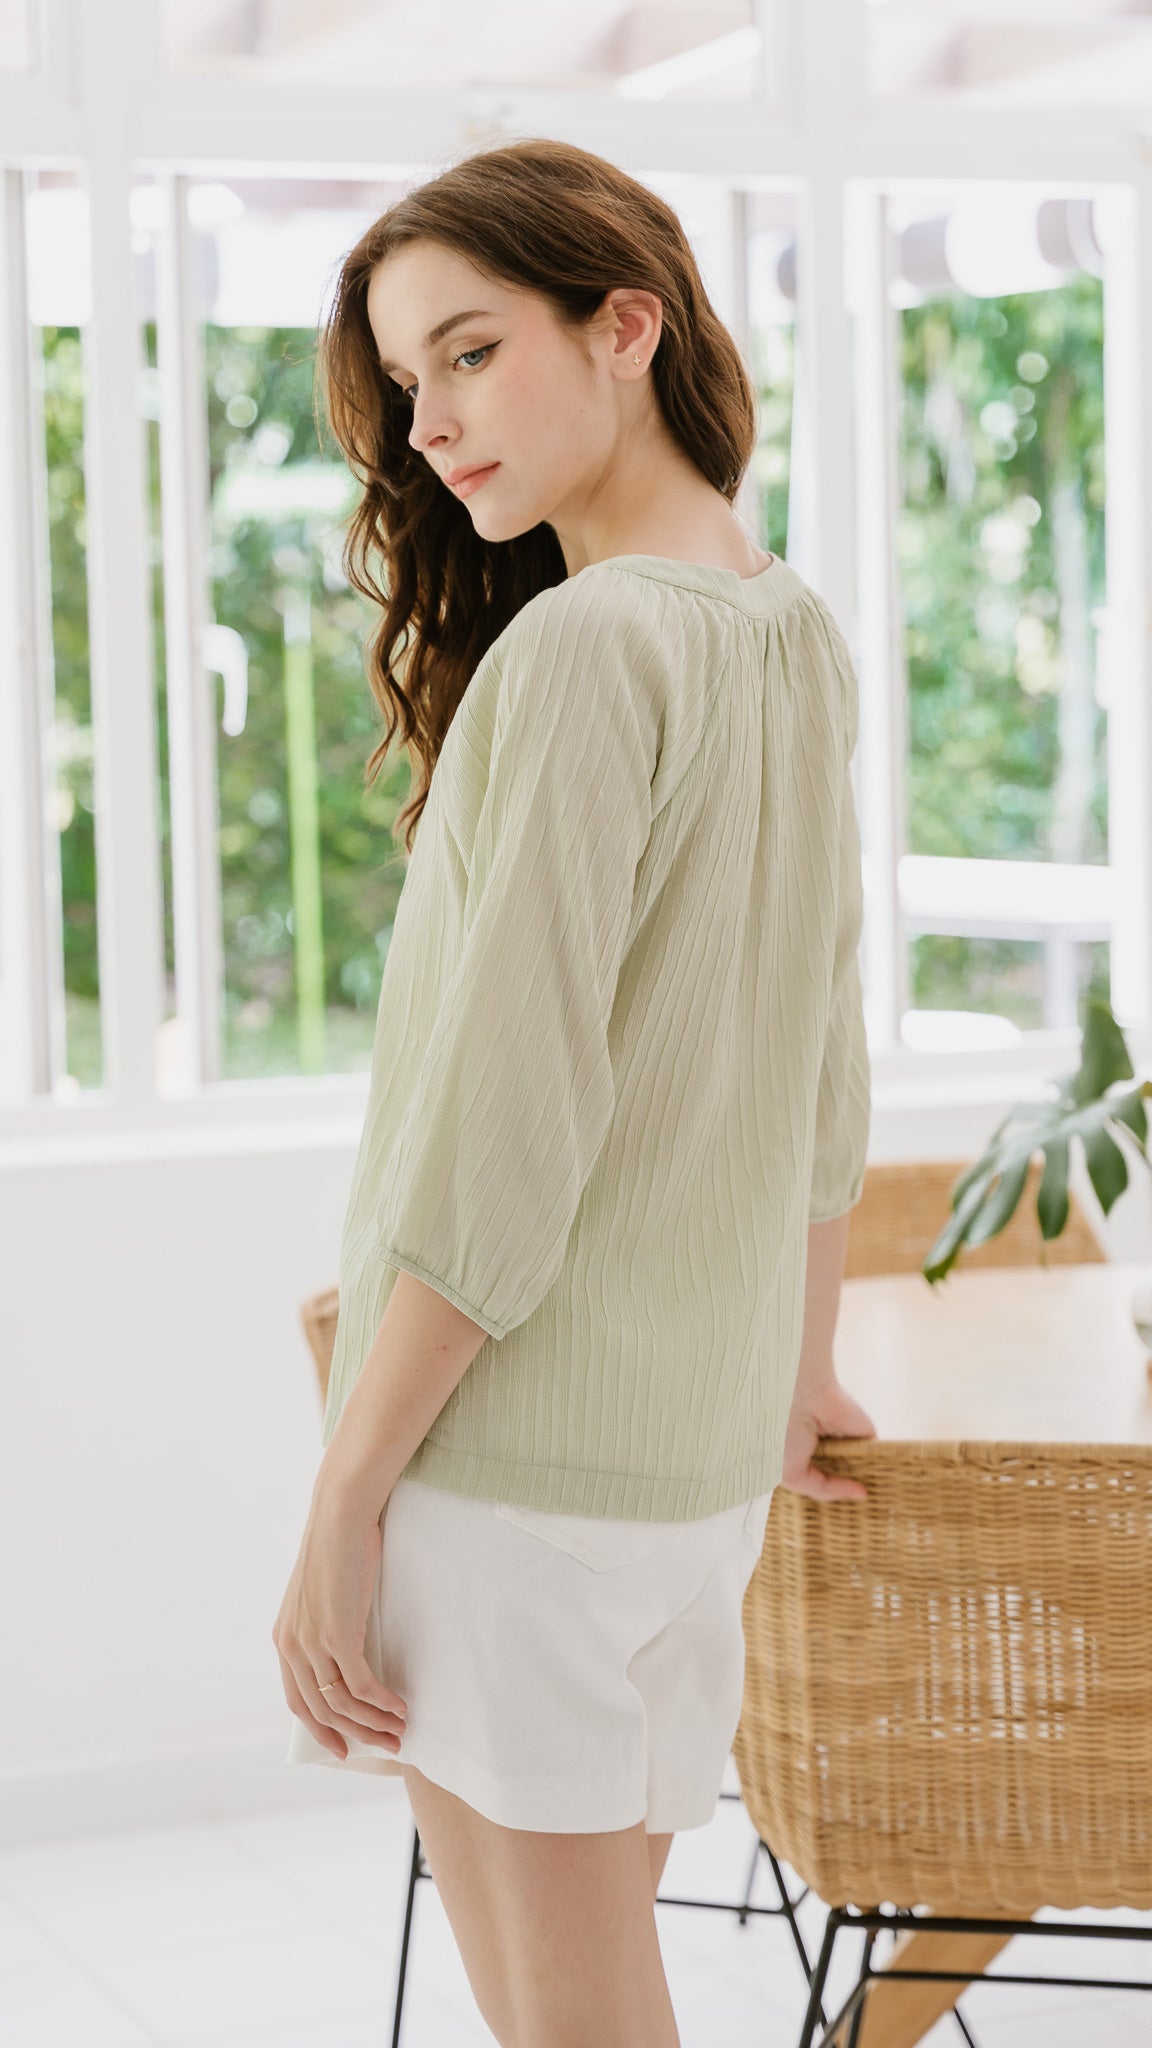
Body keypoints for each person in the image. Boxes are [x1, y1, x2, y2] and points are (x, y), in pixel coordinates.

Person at [273, 135, 876, 2048]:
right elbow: (826, 1056)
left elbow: (503, 1137)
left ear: (625, 326)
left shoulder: (588, 646)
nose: (431, 425)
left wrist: (344, 1495)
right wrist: (800, 1362)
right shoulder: (791, 628)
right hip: (691, 1475)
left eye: (471, 352)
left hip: (510, 1480)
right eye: (406, 382)